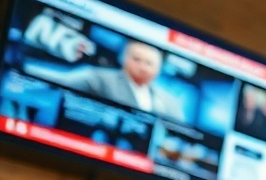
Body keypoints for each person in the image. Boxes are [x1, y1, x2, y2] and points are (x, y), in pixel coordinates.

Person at [55, 41, 186, 121]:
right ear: (124, 59)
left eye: (149, 63)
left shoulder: (170, 103)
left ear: (158, 69)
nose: (143, 67)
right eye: (137, 60)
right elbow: (58, 88)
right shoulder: (97, 78)